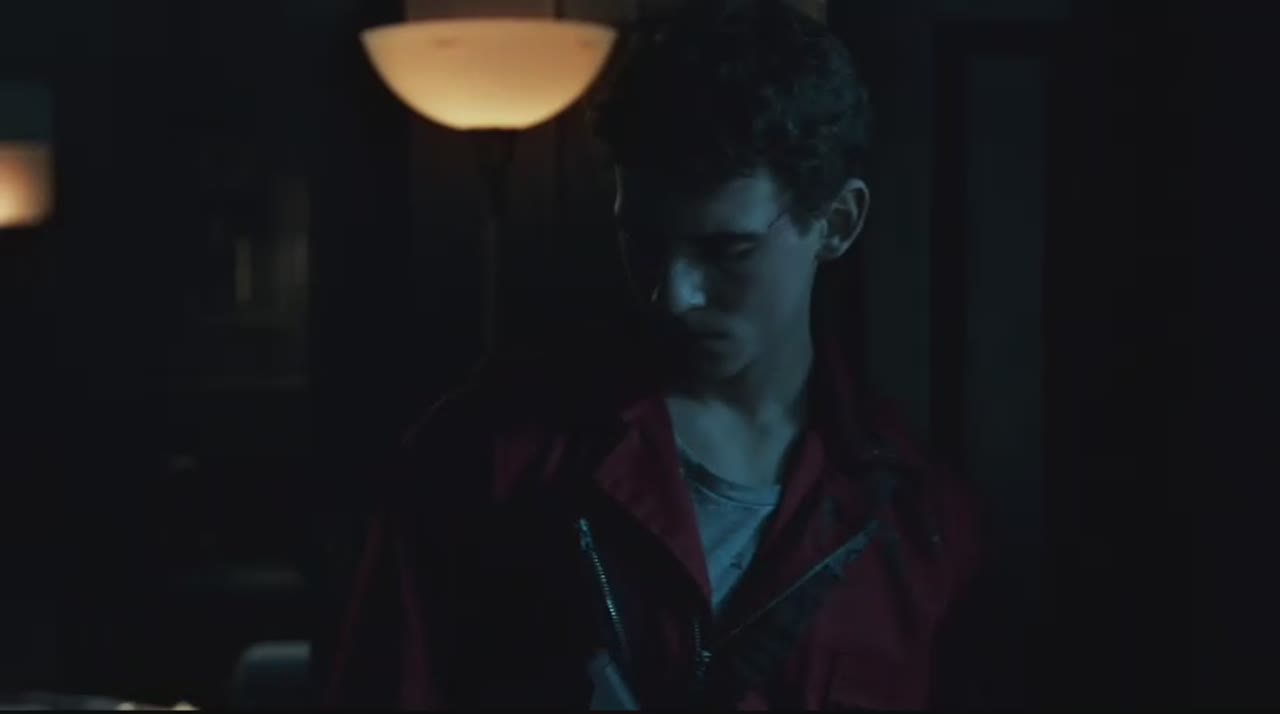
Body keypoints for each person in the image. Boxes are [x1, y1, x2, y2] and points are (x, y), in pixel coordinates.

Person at [324, 0, 982, 709]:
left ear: (838, 222)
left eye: (727, 250)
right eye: (643, 241)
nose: (675, 295)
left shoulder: (920, 522)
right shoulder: (489, 458)